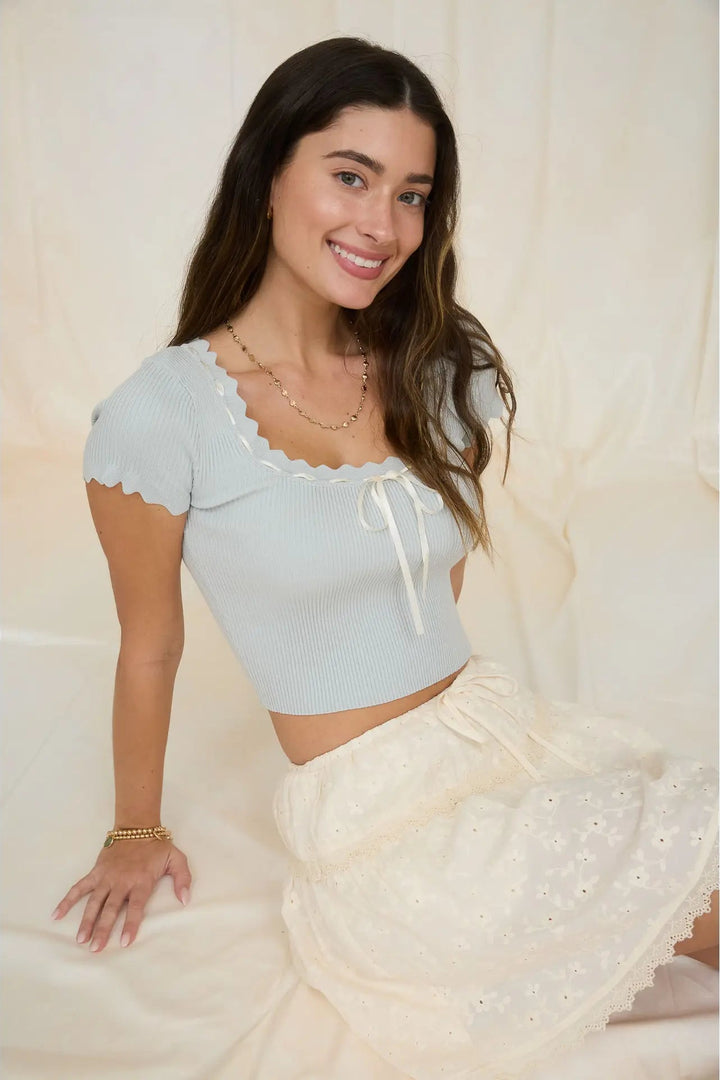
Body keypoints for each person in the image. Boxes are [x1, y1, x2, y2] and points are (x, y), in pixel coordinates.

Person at [52, 36, 718, 1080]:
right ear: (267, 171)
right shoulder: (162, 415)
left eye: (412, 194)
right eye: (351, 177)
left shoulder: (433, 364)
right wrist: (135, 829)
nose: (382, 224)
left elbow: (425, 578)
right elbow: (150, 646)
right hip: (383, 832)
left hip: (503, 736)